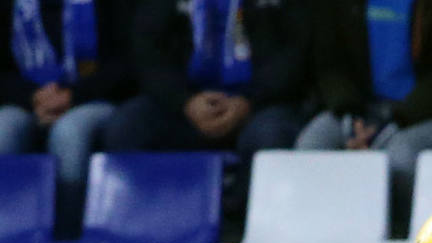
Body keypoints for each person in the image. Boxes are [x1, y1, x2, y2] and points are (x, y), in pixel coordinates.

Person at [295, 0, 432, 237]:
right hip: (361, 109)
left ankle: (402, 241)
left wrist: (393, 118)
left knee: (400, 155)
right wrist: (350, 111)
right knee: (313, 142)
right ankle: (317, 241)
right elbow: (330, 64)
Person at [102, 0, 306, 209]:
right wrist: (184, 101)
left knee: (271, 136)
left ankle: (242, 226)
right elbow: (147, 50)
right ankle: (151, 218)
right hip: (182, 103)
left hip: (259, 105)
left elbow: (297, 49)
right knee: (127, 127)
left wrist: (249, 101)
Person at [0, 0, 136, 236]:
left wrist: (74, 96)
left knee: (69, 134)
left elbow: (127, 63)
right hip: (25, 102)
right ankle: (2, 240)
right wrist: (33, 97)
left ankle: (67, 239)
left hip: (94, 99)